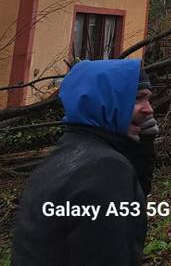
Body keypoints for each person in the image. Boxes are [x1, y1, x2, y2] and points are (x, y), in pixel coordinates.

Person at [12, 58, 159, 265]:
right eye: (137, 99)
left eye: (148, 99)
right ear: (104, 101)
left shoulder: (63, 156)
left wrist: (141, 150)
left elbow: (127, 213)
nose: (149, 109)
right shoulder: (106, 169)